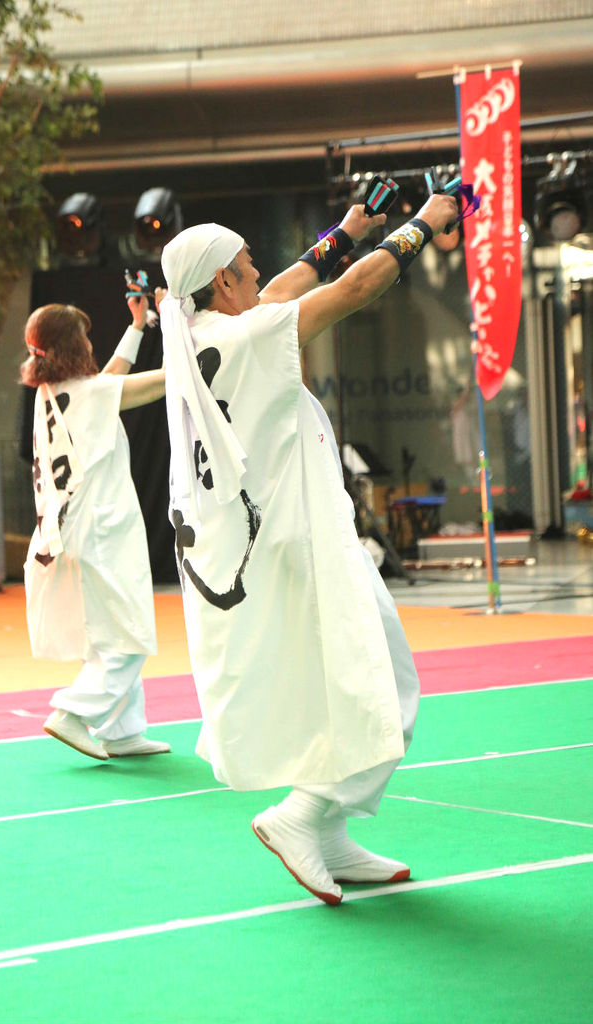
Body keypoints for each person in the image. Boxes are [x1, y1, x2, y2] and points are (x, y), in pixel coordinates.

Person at [158, 191, 458, 904]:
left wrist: (342, 233)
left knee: (347, 687)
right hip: (302, 539)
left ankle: (328, 832)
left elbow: (285, 287)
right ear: (223, 280)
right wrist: (422, 225)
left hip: (272, 543)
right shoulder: (251, 336)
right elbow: (350, 292)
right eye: (247, 263)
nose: (259, 271)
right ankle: (303, 814)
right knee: (386, 685)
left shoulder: (197, 333)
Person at [21, 289, 171, 762]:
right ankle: (73, 712)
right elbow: (166, 381)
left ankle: (123, 732)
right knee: (129, 634)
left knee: (108, 634)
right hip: (100, 530)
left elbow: (108, 382)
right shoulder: (92, 395)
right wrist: (176, 322)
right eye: (84, 337)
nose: (90, 343)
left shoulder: (51, 394)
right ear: (73, 345)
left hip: (64, 531)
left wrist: (137, 328)